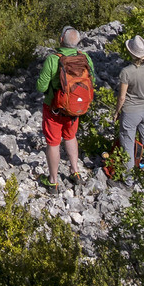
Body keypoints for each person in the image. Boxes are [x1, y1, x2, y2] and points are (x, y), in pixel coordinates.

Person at [36, 25, 93, 190]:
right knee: (70, 136)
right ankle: (75, 171)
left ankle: (53, 181)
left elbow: (41, 87)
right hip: (75, 108)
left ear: (61, 40)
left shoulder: (53, 59)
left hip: (54, 108)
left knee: (53, 142)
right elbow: (92, 82)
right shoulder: (85, 58)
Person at [116, 34, 144, 182]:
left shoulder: (126, 72)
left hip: (130, 111)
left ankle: (128, 182)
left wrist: (116, 112)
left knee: (127, 145)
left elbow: (122, 97)